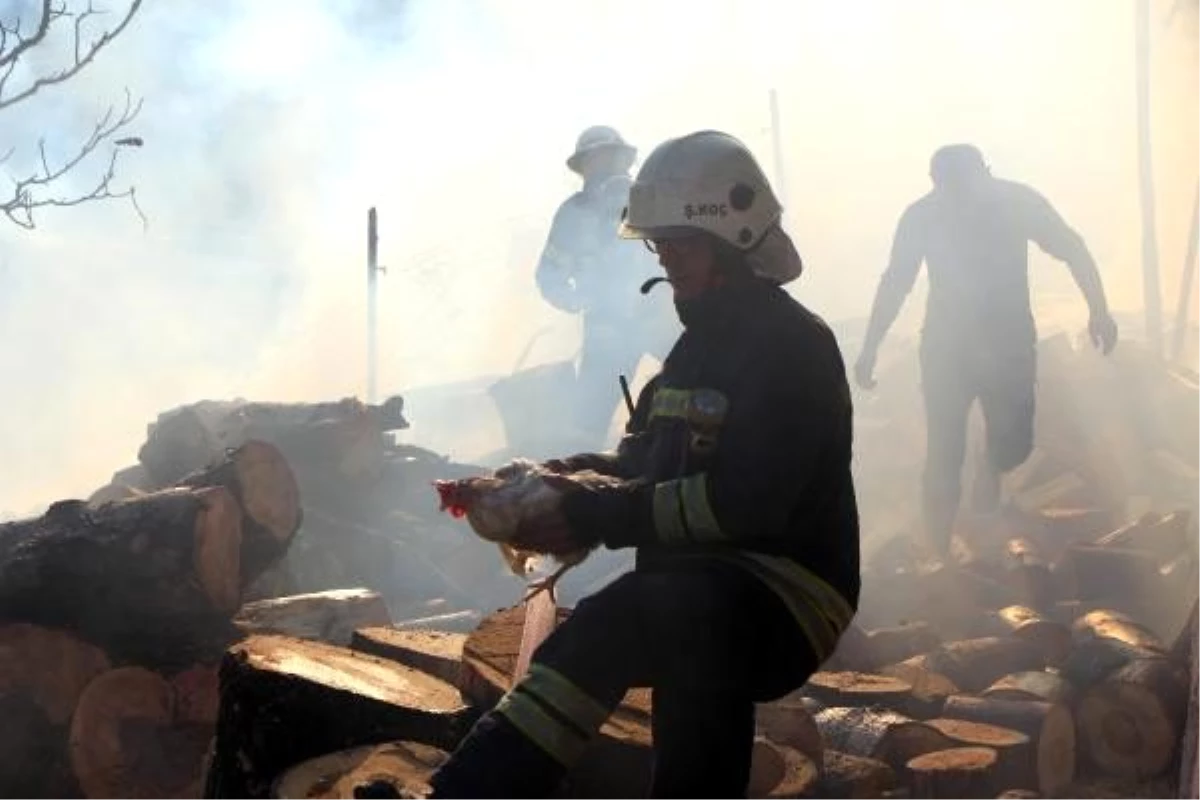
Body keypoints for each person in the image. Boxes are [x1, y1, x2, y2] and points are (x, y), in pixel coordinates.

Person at [429, 131, 860, 799]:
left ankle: (464, 793)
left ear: (733, 237)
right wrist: (550, 482)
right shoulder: (691, 354)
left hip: (788, 593)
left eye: (680, 242)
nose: (665, 258)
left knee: (621, 621)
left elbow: (745, 504)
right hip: (699, 589)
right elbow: (641, 462)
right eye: (659, 242)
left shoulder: (792, 344)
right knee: (679, 683)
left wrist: (594, 513)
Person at [853, 143, 1118, 558]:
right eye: (950, 188)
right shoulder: (923, 215)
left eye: (966, 185)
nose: (960, 197)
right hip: (946, 347)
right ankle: (938, 551)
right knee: (944, 454)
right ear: (936, 185)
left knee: (1014, 445)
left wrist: (1099, 310)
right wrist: (870, 346)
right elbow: (896, 281)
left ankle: (991, 466)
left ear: (985, 175)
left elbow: (1072, 248)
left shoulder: (1017, 203)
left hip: (1008, 343)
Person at [535, 125, 679, 449]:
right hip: (606, 328)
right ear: (583, 167)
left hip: (660, 319)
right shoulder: (573, 215)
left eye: (610, 159)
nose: (604, 168)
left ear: (624, 161)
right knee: (589, 421)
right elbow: (548, 275)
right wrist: (579, 300)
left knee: (699, 388)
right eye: (596, 161)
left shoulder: (651, 199)